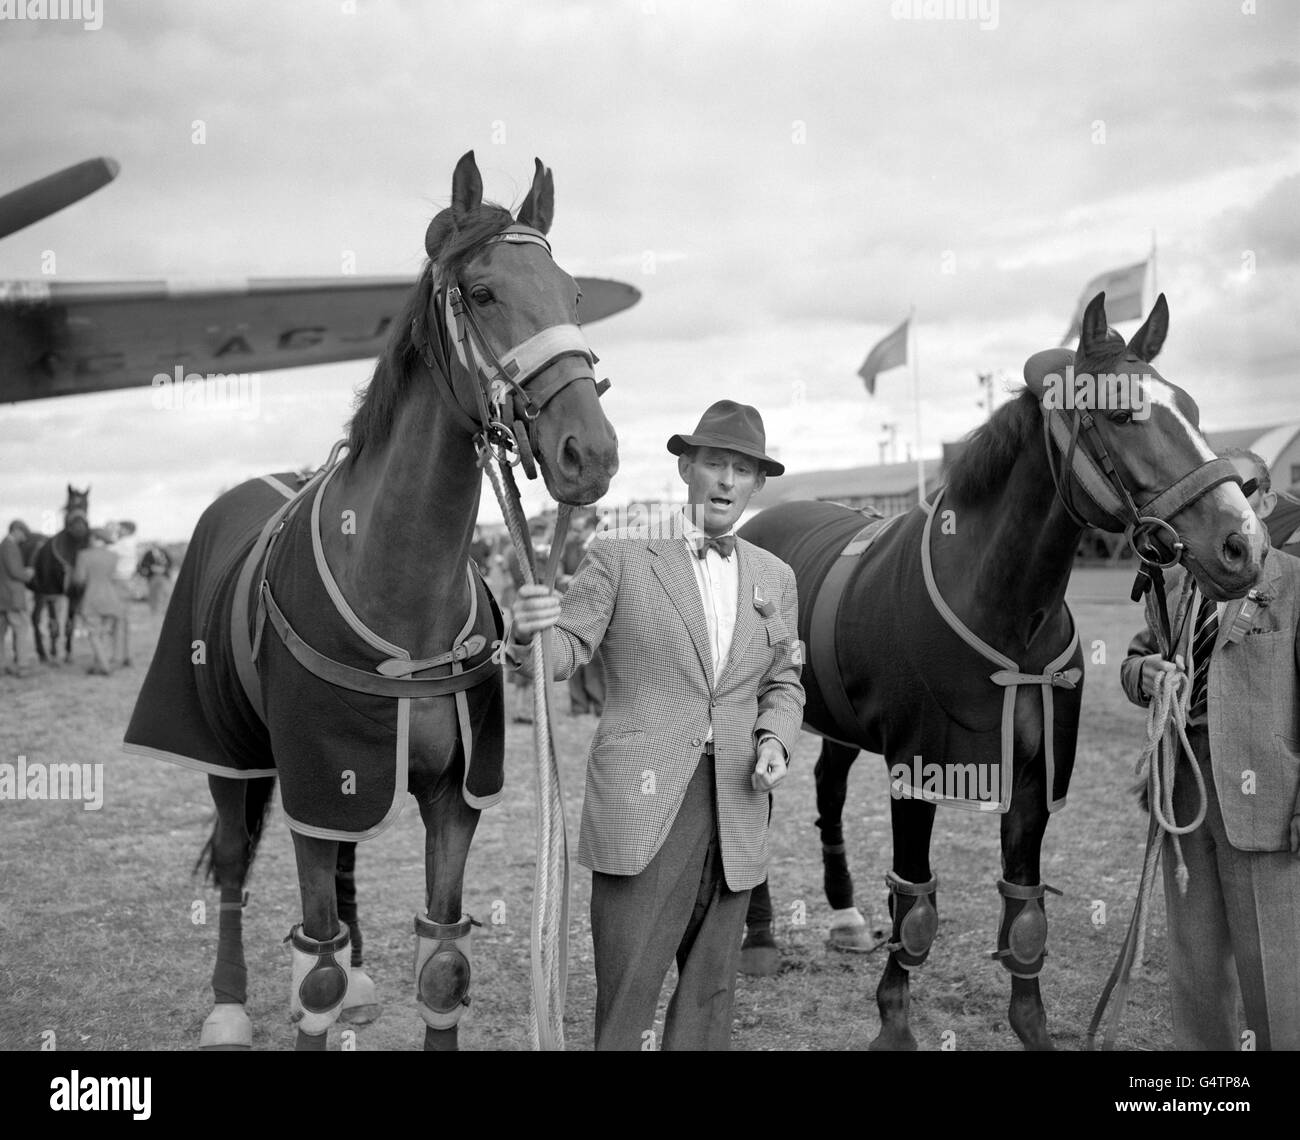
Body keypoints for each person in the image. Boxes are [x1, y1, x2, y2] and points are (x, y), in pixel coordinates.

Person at [512, 400, 805, 1050]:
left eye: (743, 470)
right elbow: (565, 647)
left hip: (737, 806)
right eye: (715, 464)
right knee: (624, 1007)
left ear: (758, 484)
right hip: (642, 812)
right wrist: (527, 632)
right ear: (687, 469)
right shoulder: (620, 553)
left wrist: (774, 740)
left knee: (708, 1004)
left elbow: (785, 681)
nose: (728, 481)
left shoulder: (775, 579)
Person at [1120, 448, 1300, 1050]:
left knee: (1275, 972)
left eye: (1241, 489)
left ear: (1267, 504)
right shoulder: (1180, 583)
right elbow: (1131, 661)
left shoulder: (1294, 583)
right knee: (1194, 967)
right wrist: (1143, 673)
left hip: (1267, 803)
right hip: (1184, 795)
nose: (1223, 505)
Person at [558, 511, 606, 716]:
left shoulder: (602, 547)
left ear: (589, 528)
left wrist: (579, 581)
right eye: (573, 530)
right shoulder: (569, 546)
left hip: (595, 611)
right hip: (570, 607)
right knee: (573, 657)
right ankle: (578, 705)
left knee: (595, 661)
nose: (575, 533)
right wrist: (565, 580)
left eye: (578, 529)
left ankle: (599, 703)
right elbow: (559, 572)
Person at [73, 528, 125, 676]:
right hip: (111, 598)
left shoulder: (84, 555)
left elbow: (79, 579)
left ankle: (104, 666)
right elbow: (113, 577)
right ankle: (101, 663)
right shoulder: (113, 556)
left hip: (92, 598)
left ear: (94, 538)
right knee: (104, 633)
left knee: (94, 634)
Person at [1, 519, 37, 677]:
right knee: (22, 629)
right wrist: (27, 573)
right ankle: (22, 665)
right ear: (16, 530)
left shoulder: (5, 545)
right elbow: (15, 572)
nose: (24, 537)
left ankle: (2, 665)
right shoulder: (9, 546)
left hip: (3, 597)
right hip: (12, 597)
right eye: (23, 533)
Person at [138, 543, 174, 616]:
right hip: (153, 577)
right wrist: (152, 568)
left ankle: (165, 611)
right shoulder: (148, 554)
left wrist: (164, 569)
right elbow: (143, 564)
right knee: (154, 595)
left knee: (166, 594)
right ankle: (155, 611)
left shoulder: (164, 552)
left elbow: (170, 563)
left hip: (164, 577)